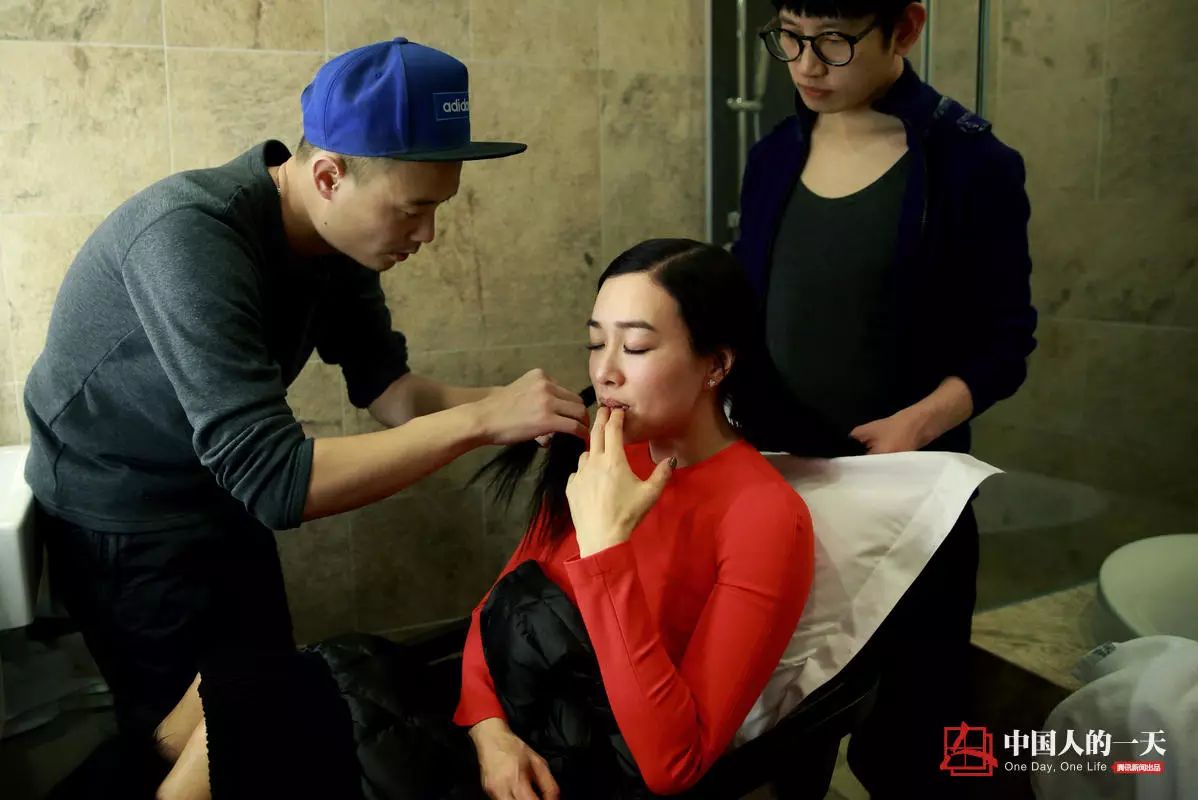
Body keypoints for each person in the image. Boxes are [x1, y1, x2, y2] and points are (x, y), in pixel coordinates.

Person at [119, 239, 862, 800]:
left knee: (242, 725)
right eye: (596, 341)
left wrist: (606, 551)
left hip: (574, 770)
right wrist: (488, 730)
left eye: (635, 346)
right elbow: (500, 605)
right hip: (490, 726)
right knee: (218, 694)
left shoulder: (764, 517)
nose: (604, 370)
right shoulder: (598, 451)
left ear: (717, 364)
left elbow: (673, 765)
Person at [24, 37, 590, 742]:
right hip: (125, 514)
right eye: (411, 209)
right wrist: (480, 421)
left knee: (266, 709)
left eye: (438, 207)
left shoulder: (338, 244)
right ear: (328, 176)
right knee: (189, 750)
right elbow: (277, 480)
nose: (429, 234)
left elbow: (391, 393)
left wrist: (522, 408)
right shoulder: (189, 237)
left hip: (222, 490)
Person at [733, 1, 1037, 796]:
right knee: (782, 734)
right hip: (783, 494)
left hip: (909, 498)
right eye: (789, 37)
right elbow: (748, 314)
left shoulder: (971, 164)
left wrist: (921, 422)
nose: (805, 65)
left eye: (834, 41)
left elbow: (1007, 342)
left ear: (905, 27)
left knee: (915, 742)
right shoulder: (772, 155)